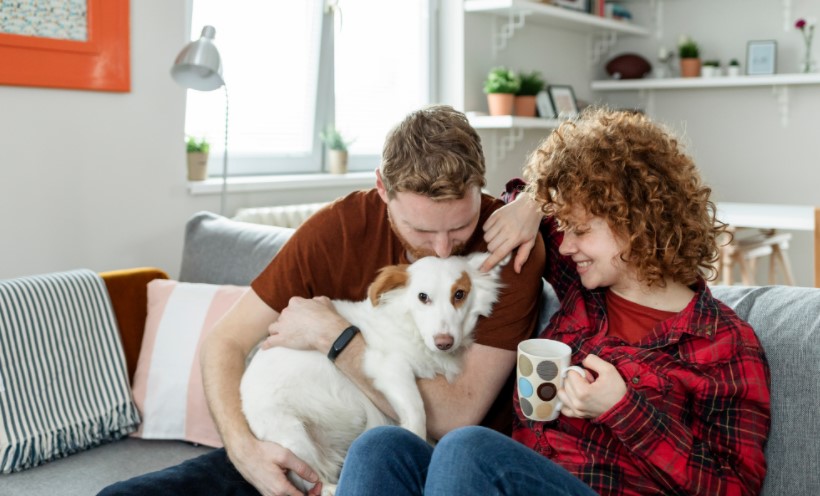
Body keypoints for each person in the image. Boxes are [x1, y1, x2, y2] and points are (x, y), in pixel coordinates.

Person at [98, 105, 546, 496]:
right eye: (423, 231)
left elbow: (454, 414)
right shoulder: (338, 229)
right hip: (311, 446)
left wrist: (334, 335)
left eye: (460, 226)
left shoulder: (508, 246)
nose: (445, 248)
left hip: (425, 464)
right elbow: (225, 343)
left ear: (479, 190)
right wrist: (245, 452)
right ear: (382, 190)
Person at [335, 107, 772, 495]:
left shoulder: (722, 343)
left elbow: (736, 486)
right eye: (566, 228)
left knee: (467, 448)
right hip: (517, 477)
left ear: (638, 224)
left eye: (581, 231)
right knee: (383, 448)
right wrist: (530, 202)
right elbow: (515, 207)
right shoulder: (585, 289)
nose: (566, 247)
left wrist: (624, 410)